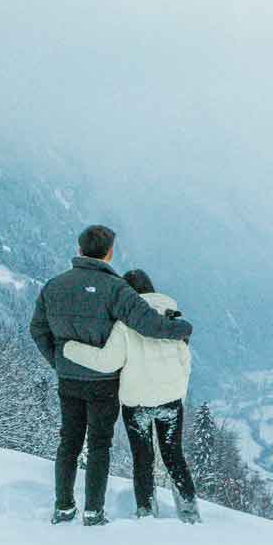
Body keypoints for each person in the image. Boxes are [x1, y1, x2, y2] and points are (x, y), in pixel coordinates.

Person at [29, 225, 192, 526]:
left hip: (69, 381)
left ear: (79, 250)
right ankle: (93, 512)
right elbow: (149, 325)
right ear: (109, 252)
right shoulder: (116, 288)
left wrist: (58, 361)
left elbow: (37, 329)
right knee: (99, 443)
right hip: (103, 384)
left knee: (69, 442)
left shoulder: (53, 286)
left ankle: (63, 507)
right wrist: (181, 330)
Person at [64, 268, 200, 523]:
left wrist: (69, 348)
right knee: (174, 456)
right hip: (171, 401)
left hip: (137, 404)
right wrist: (177, 391)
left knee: (143, 458)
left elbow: (106, 362)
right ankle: (190, 514)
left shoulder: (126, 324)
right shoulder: (174, 319)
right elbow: (185, 361)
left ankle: (147, 512)